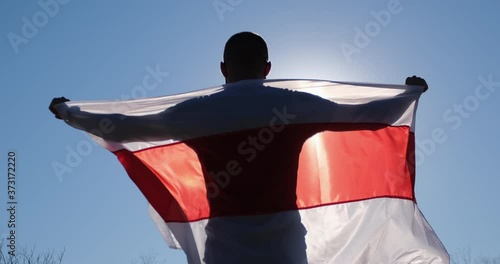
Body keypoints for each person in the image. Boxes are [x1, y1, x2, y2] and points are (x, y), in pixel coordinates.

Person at [49, 32, 429, 263]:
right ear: (267, 67)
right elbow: (361, 115)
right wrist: (408, 93)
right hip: (285, 250)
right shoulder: (291, 103)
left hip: (225, 251)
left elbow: (127, 127)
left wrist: (70, 113)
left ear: (222, 68)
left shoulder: (197, 112)